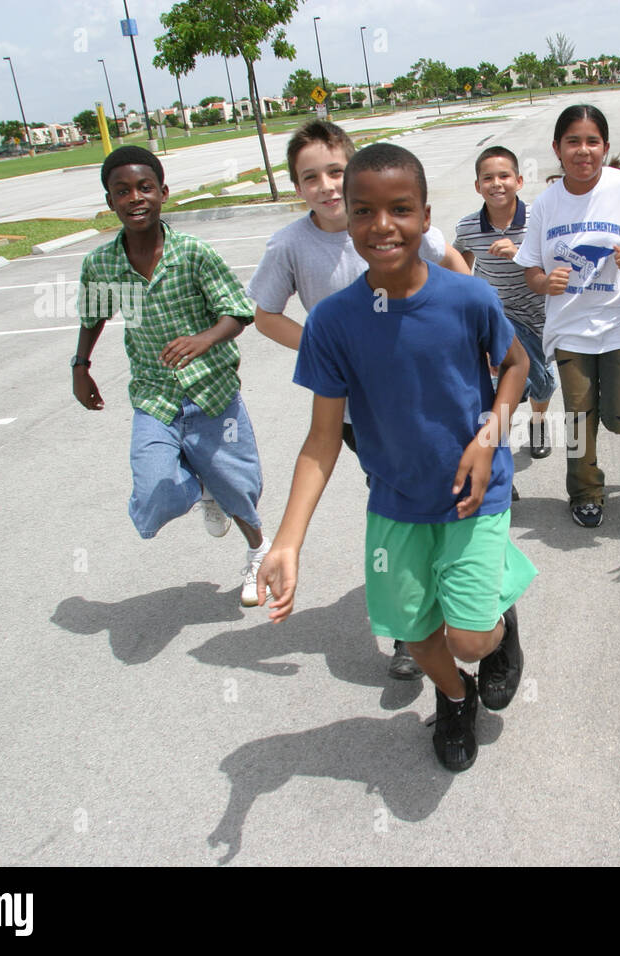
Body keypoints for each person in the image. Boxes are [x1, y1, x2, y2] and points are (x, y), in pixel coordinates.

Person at [256, 143, 536, 773]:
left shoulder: (467, 298)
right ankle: (456, 698)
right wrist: (287, 540)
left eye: (400, 210)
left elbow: (515, 365)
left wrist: (489, 438)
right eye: (365, 212)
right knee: (413, 632)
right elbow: (322, 441)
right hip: (396, 501)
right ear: (348, 219)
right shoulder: (333, 323)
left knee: (469, 634)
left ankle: (496, 621)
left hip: (474, 492)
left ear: (426, 216)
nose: (383, 226)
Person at [248, 119, 468, 680]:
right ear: (296, 186)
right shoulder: (291, 245)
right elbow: (265, 315)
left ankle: (472, 598)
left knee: (438, 497)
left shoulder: (386, 219)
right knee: (393, 495)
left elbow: (454, 265)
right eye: (308, 177)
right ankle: (409, 628)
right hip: (356, 408)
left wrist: (477, 333)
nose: (323, 185)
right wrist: (324, 351)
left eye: (334, 172)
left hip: (422, 392)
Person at [71, 145, 270, 604]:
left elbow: (238, 313)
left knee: (241, 488)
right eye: (122, 191)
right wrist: (81, 366)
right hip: (154, 397)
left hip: (212, 393)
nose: (134, 197)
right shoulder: (101, 264)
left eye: (144, 187)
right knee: (157, 498)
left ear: (162, 192)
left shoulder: (193, 253)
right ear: (110, 202)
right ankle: (202, 484)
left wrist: (204, 339)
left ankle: (259, 552)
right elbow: (93, 315)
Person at [515, 105, 620, 527]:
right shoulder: (545, 205)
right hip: (570, 328)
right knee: (578, 414)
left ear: (605, 147)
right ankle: (584, 493)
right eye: (573, 141)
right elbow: (530, 268)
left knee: (618, 417)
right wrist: (544, 283)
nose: (583, 151)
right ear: (556, 149)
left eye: (592, 141)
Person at [454, 145, 556, 460]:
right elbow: (460, 266)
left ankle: (539, 421)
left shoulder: (539, 221)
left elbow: (556, 268)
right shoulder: (468, 228)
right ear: (477, 186)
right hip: (499, 318)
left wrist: (519, 254)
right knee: (504, 385)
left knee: (544, 385)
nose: (496, 184)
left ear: (519, 181)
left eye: (504, 176)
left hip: (541, 317)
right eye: (488, 178)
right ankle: (500, 452)